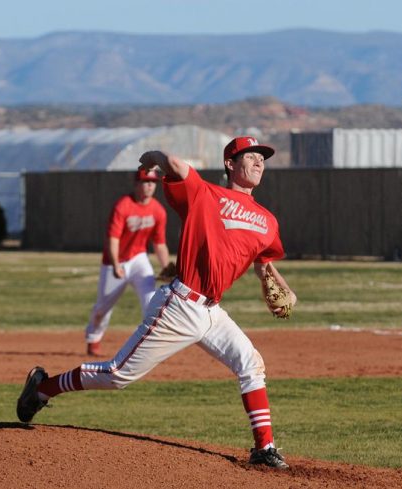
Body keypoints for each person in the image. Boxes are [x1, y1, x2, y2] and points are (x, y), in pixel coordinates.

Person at [17, 136, 297, 469]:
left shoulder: (267, 220)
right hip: (181, 305)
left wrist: (283, 290)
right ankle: (43, 387)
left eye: (262, 158)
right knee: (118, 375)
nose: (258, 162)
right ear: (230, 164)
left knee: (251, 364)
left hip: (212, 312)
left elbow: (263, 266)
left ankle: (264, 448)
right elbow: (177, 165)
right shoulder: (205, 194)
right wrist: (151, 158)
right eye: (250, 157)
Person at [84, 168, 171, 356]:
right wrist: (115, 265)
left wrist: (166, 266)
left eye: (153, 183)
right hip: (115, 261)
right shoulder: (123, 206)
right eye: (145, 182)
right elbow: (112, 239)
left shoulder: (158, 210)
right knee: (102, 308)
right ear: (136, 184)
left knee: (151, 299)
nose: (149, 186)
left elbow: (159, 243)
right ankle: (93, 339)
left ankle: (150, 343)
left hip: (139, 258)